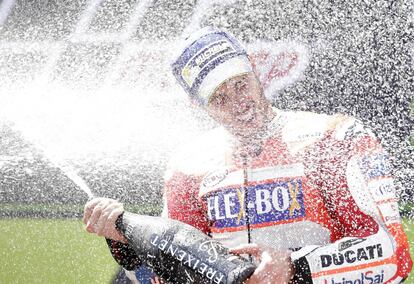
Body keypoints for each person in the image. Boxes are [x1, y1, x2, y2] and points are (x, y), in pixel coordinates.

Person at [84, 27, 412, 283]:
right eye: (219, 98)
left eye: (240, 84)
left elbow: (395, 256)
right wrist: (127, 246)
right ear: (197, 104)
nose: (239, 104)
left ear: (254, 68)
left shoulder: (334, 137)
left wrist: (296, 270)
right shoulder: (187, 167)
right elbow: (171, 278)